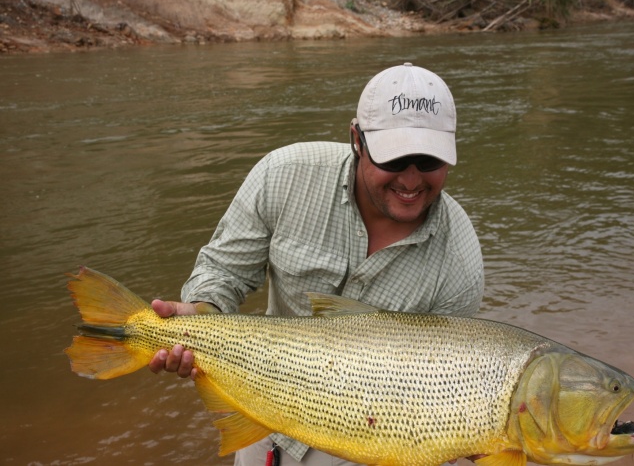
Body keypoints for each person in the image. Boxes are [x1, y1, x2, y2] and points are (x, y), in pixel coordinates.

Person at [148, 63, 485, 465]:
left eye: (428, 161)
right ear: (357, 140)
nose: (411, 181)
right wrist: (201, 311)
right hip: (261, 410)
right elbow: (224, 272)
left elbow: (440, 392)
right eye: (394, 161)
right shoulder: (283, 176)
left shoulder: (460, 261)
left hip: (368, 439)